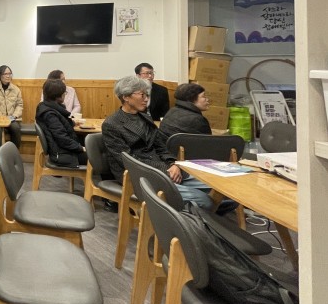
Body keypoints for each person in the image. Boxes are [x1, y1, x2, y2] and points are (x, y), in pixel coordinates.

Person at [101, 76, 214, 209]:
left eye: (147, 95)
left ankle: (197, 214)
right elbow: (127, 160)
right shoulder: (112, 124)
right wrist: (164, 170)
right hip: (139, 175)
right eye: (142, 95)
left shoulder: (145, 117)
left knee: (214, 188)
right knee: (204, 200)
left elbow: (161, 146)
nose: (146, 99)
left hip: (163, 169)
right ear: (126, 97)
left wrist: (173, 164)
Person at [35, 78, 88, 166]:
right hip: (62, 154)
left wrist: (73, 123)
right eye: (64, 93)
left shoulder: (48, 106)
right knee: (100, 157)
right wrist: (81, 148)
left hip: (64, 150)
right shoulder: (50, 114)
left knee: (97, 148)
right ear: (58, 96)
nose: (65, 94)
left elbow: (60, 125)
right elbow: (62, 139)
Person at [0, 65, 23, 148]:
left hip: (11, 119)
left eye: (10, 74)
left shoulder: (16, 89)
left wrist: (14, 116)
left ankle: (14, 151)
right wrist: (1, 117)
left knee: (16, 128)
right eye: (5, 74)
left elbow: (19, 105)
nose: (8, 76)